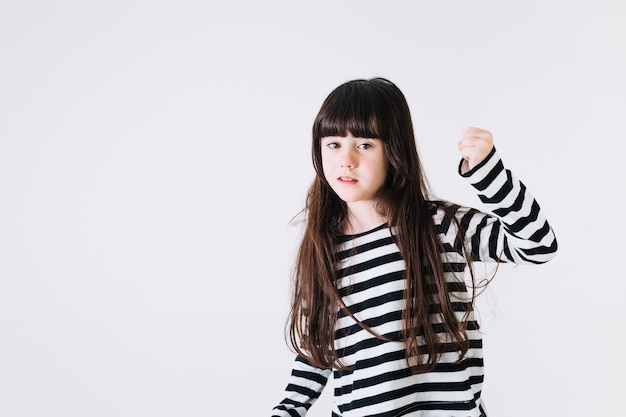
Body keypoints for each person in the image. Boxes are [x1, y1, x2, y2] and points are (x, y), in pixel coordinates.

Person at [270, 77, 558, 417]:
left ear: (394, 150)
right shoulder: (322, 249)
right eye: (333, 144)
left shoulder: (438, 226)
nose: (345, 160)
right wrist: (288, 409)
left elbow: (538, 244)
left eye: (364, 144)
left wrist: (486, 173)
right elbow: (315, 348)